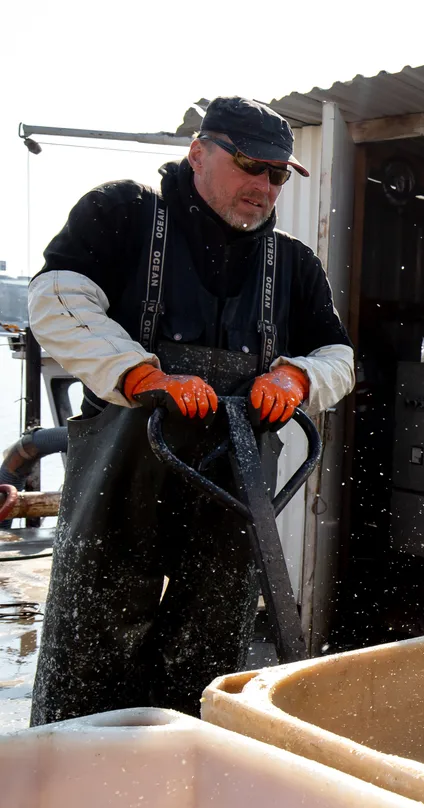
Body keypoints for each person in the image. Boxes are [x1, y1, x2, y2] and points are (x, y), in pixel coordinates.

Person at [26, 97, 355, 725]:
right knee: (93, 644)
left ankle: (185, 779)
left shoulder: (293, 264)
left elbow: (336, 354)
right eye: (250, 166)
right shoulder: (122, 215)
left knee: (209, 646)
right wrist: (144, 376)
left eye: (278, 174)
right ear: (198, 153)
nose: (263, 186)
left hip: (232, 493)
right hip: (122, 487)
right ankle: (68, 784)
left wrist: (296, 375)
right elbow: (56, 298)